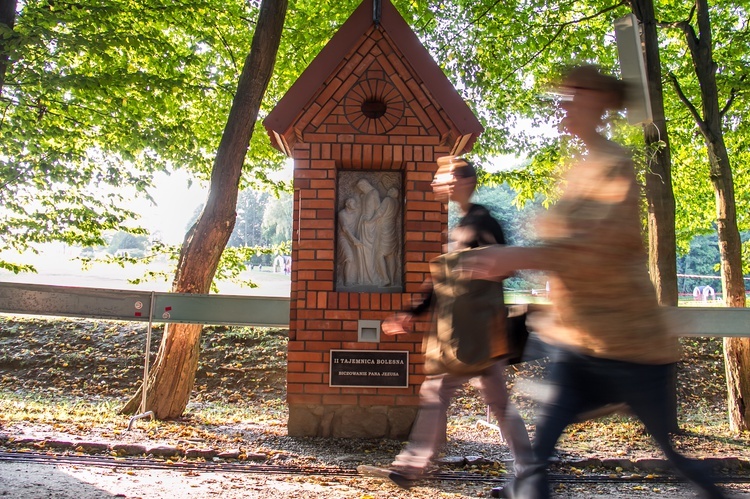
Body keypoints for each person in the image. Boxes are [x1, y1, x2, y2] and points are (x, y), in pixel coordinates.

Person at [458, 65, 727, 499]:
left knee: (673, 457)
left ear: (600, 102)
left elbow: (592, 251)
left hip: (631, 347)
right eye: (563, 95)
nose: (563, 104)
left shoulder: (615, 167)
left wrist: (517, 255)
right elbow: (563, 248)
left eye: (574, 94)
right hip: (578, 343)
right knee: (537, 457)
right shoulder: (578, 170)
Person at [379, 155, 534, 488]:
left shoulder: (483, 223)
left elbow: (507, 266)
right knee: (481, 399)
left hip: (479, 334)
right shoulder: (461, 226)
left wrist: (481, 268)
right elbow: (441, 283)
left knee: (440, 393)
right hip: (465, 333)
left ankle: (413, 464)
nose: (437, 183)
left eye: (442, 178)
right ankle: (528, 467)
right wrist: (411, 313)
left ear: (462, 182)